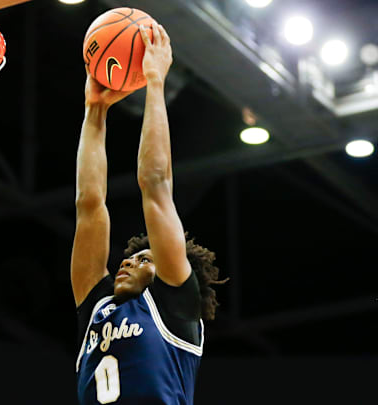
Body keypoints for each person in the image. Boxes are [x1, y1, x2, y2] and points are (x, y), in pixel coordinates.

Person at [72, 22, 226, 405]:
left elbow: (156, 185)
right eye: (130, 257)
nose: (126, 262)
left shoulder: (176, 305)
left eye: (143, 259)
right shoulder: (99, 306)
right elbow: (89, 205)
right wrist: (95, 111)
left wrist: (155, 82)